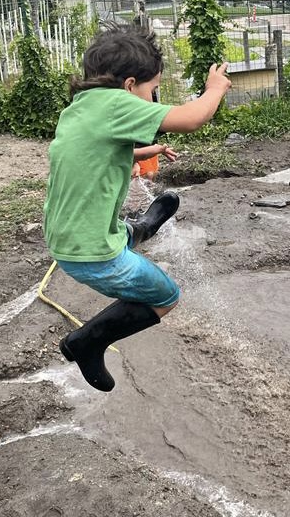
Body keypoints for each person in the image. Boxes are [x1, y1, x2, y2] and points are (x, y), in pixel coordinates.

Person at [44, 25, 231, 392]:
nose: (153, 97)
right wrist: (214, 90)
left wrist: (153, 151)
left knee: (123, 231)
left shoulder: (81, 108)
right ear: (130, 86)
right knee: (166, 296)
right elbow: (191, 119)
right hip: (91, 252)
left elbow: (105, 150)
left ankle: (141, 229)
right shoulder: (117, 103)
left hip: (68, 233)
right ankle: (86, 343)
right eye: (152, 90)